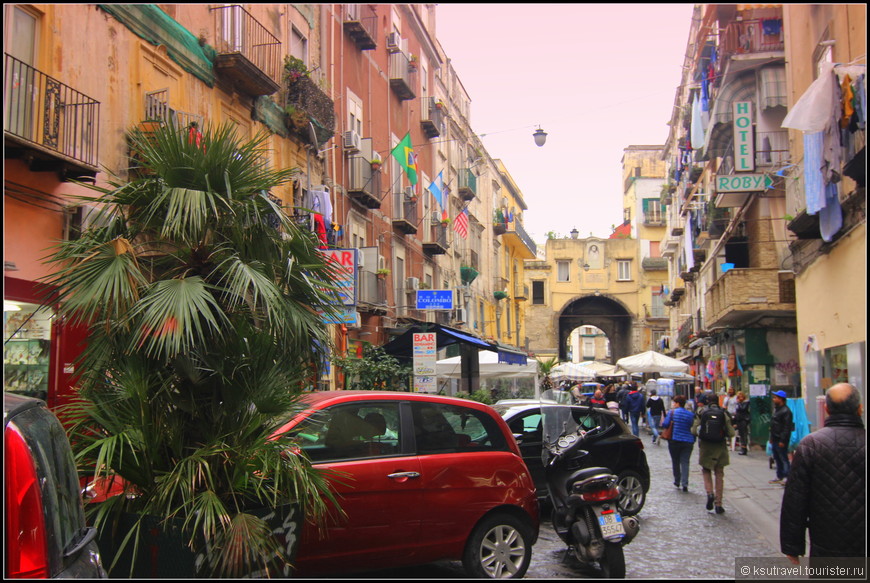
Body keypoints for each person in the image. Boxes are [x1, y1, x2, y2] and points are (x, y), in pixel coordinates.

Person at [780, 383, 865, 562]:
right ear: (860, 409)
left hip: (826, 541)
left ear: (826, 409)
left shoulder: (811, 444)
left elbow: (795, 499)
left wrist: (792, 546)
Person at [692, 391, 735, 514]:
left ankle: (709, 493)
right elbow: (731, 433)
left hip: (706, 446)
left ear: (706, 401)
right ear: (718, 401)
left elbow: (694, 430)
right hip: (720, 447)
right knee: (719, 474)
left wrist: (702, 433)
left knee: (706, 470)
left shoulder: (701, 412)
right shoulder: (724, 413)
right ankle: (718, 503)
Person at [661, 394, 695, 492]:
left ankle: (677, 480)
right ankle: (685, 483)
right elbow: (692, 425)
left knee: (675, 460)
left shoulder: (672, 413)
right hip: (688, 441)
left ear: (677, 403)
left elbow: (665, 424)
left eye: (674, 403)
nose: (673, 404)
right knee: (685, 462)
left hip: (674, 440)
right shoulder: (690, 414)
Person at [768, 390, 793, 484]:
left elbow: (787, 427)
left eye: (776, 398)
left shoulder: (786, 411)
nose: (774, 399)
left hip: (781, 439)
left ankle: (787, 476)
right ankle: (779, 475)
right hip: (775, 437)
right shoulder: (777, 409)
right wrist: (771, 437)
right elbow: (773, 425)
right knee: (777, 458)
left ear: (781, 399)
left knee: (783, 458)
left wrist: (783, 439)